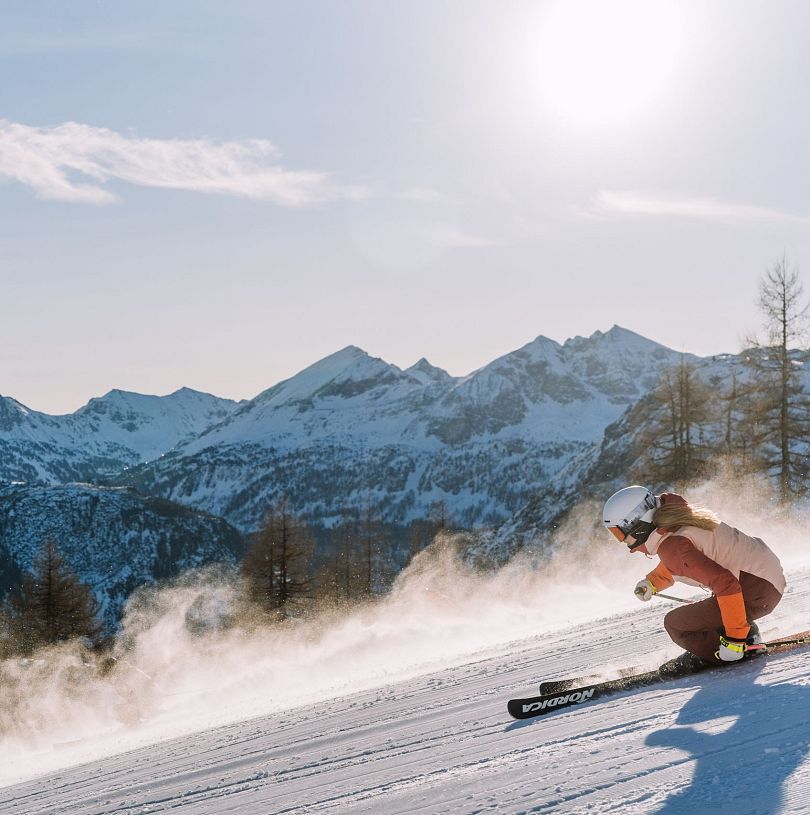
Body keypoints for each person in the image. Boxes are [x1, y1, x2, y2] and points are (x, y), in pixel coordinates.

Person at [602, 486, 786, 670]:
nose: (625, 544)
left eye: (620, 534)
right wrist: (652, 582)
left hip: (757, 592)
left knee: (676, 624)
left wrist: (735, 642)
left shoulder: (672, 546)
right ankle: (746, 634)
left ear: (638, 525)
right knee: (711, 606)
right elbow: (687, 560)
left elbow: (726, 584)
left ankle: (725, 653)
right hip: (765, 577)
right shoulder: (678, 521)